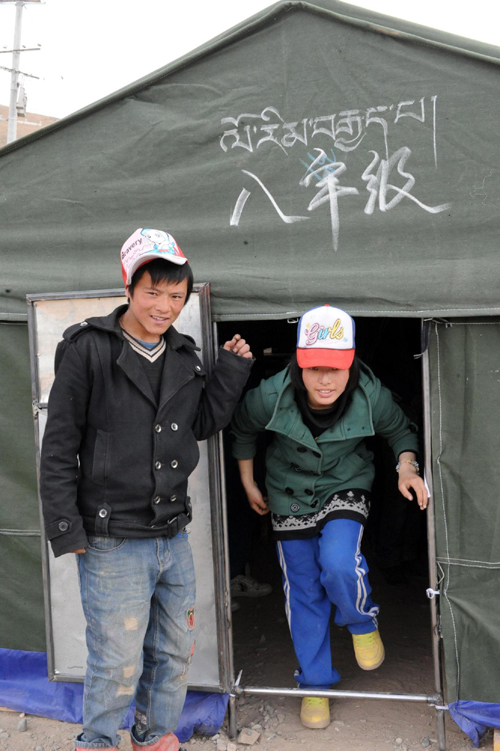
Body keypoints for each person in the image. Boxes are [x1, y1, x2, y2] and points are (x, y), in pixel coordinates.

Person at [40, 228, 253, 751]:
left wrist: (230, 372)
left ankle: (152, 735)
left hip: (171, 534)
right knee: (116, 657)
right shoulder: (88, 349)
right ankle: (97, 742)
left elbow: (199, 423)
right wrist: (66, 528)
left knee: (175, 648)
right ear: (129, 286)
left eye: (176, 297)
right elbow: (59, 443)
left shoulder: (183, 355)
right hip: (112, 537)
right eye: (153, 292)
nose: (165, 306)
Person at [230, 304, 428, 730]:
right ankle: (314, 683)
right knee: (302, 590)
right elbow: (242, 428)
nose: (325, 379)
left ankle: (361, 620)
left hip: (345, 483)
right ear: (299, 363)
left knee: (339, 563)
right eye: (314, 367)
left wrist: (406, 467)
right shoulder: (270, 395)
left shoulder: (370, 394)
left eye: (335, 367)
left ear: (351, 363)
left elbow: (400, 431)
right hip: (287, 493)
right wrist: (248, 482)